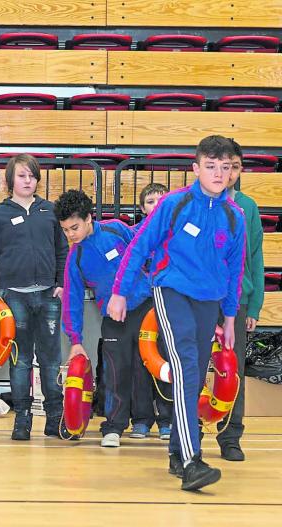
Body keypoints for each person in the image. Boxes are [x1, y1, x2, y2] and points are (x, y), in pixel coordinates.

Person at [108, 135, 246, 491]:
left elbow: (235, 270)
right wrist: (120, 293)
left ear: (233, 173)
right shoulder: (174, 204)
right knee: (185, 366)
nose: (219, 173)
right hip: (171, 291)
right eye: (211, 166)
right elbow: (139, 247)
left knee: (196, 374)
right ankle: (191, 460)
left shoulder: (236, 217)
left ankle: (175, 452)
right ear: (196, 168)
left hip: (208, 302)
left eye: (226, 167)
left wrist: (229, 317)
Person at [0, 154, 68, 441]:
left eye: (32, 176)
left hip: (48, 295)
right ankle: (22, 420)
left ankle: (55, 418)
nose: (28, 181)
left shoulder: (50, 211)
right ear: (10, 181)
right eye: (22, 176)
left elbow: (62, 250)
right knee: (21, 359)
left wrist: (61, 283)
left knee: (51, 359)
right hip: (14, 297)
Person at [55, 189, 153, 448]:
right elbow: (72, 302)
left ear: (89, 218)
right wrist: (75, 340)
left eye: (74, 227)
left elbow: (145, 248)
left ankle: (146, 421)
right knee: (114, 370)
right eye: (65, 230)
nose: (70, 235)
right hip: (112, 317)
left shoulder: (116, 230)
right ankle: (114, 425)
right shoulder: (74, 258)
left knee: (146, 367)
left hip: (146, 307)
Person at [216, 139, 264, 461]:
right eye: (222, 166)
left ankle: (231, 436)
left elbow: (256, 259)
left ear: (240, 169)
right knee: (194, 368)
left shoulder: (248, 207)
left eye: (233, 166)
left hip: (237, 300)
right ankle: (186, 433)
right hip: (202, 298)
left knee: (233, 371)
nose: (227, 173)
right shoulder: (200, 203)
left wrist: (255, 304)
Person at [129, 183, 173, 441]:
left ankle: (166, 419)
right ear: (142, 208)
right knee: (140, 363)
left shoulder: (176, 236)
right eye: (149, 202)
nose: (155, 206)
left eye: (160, 200)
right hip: (141, 305)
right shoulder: (133, 234)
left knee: (167, 360)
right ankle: (141, 420)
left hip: (168, 304)